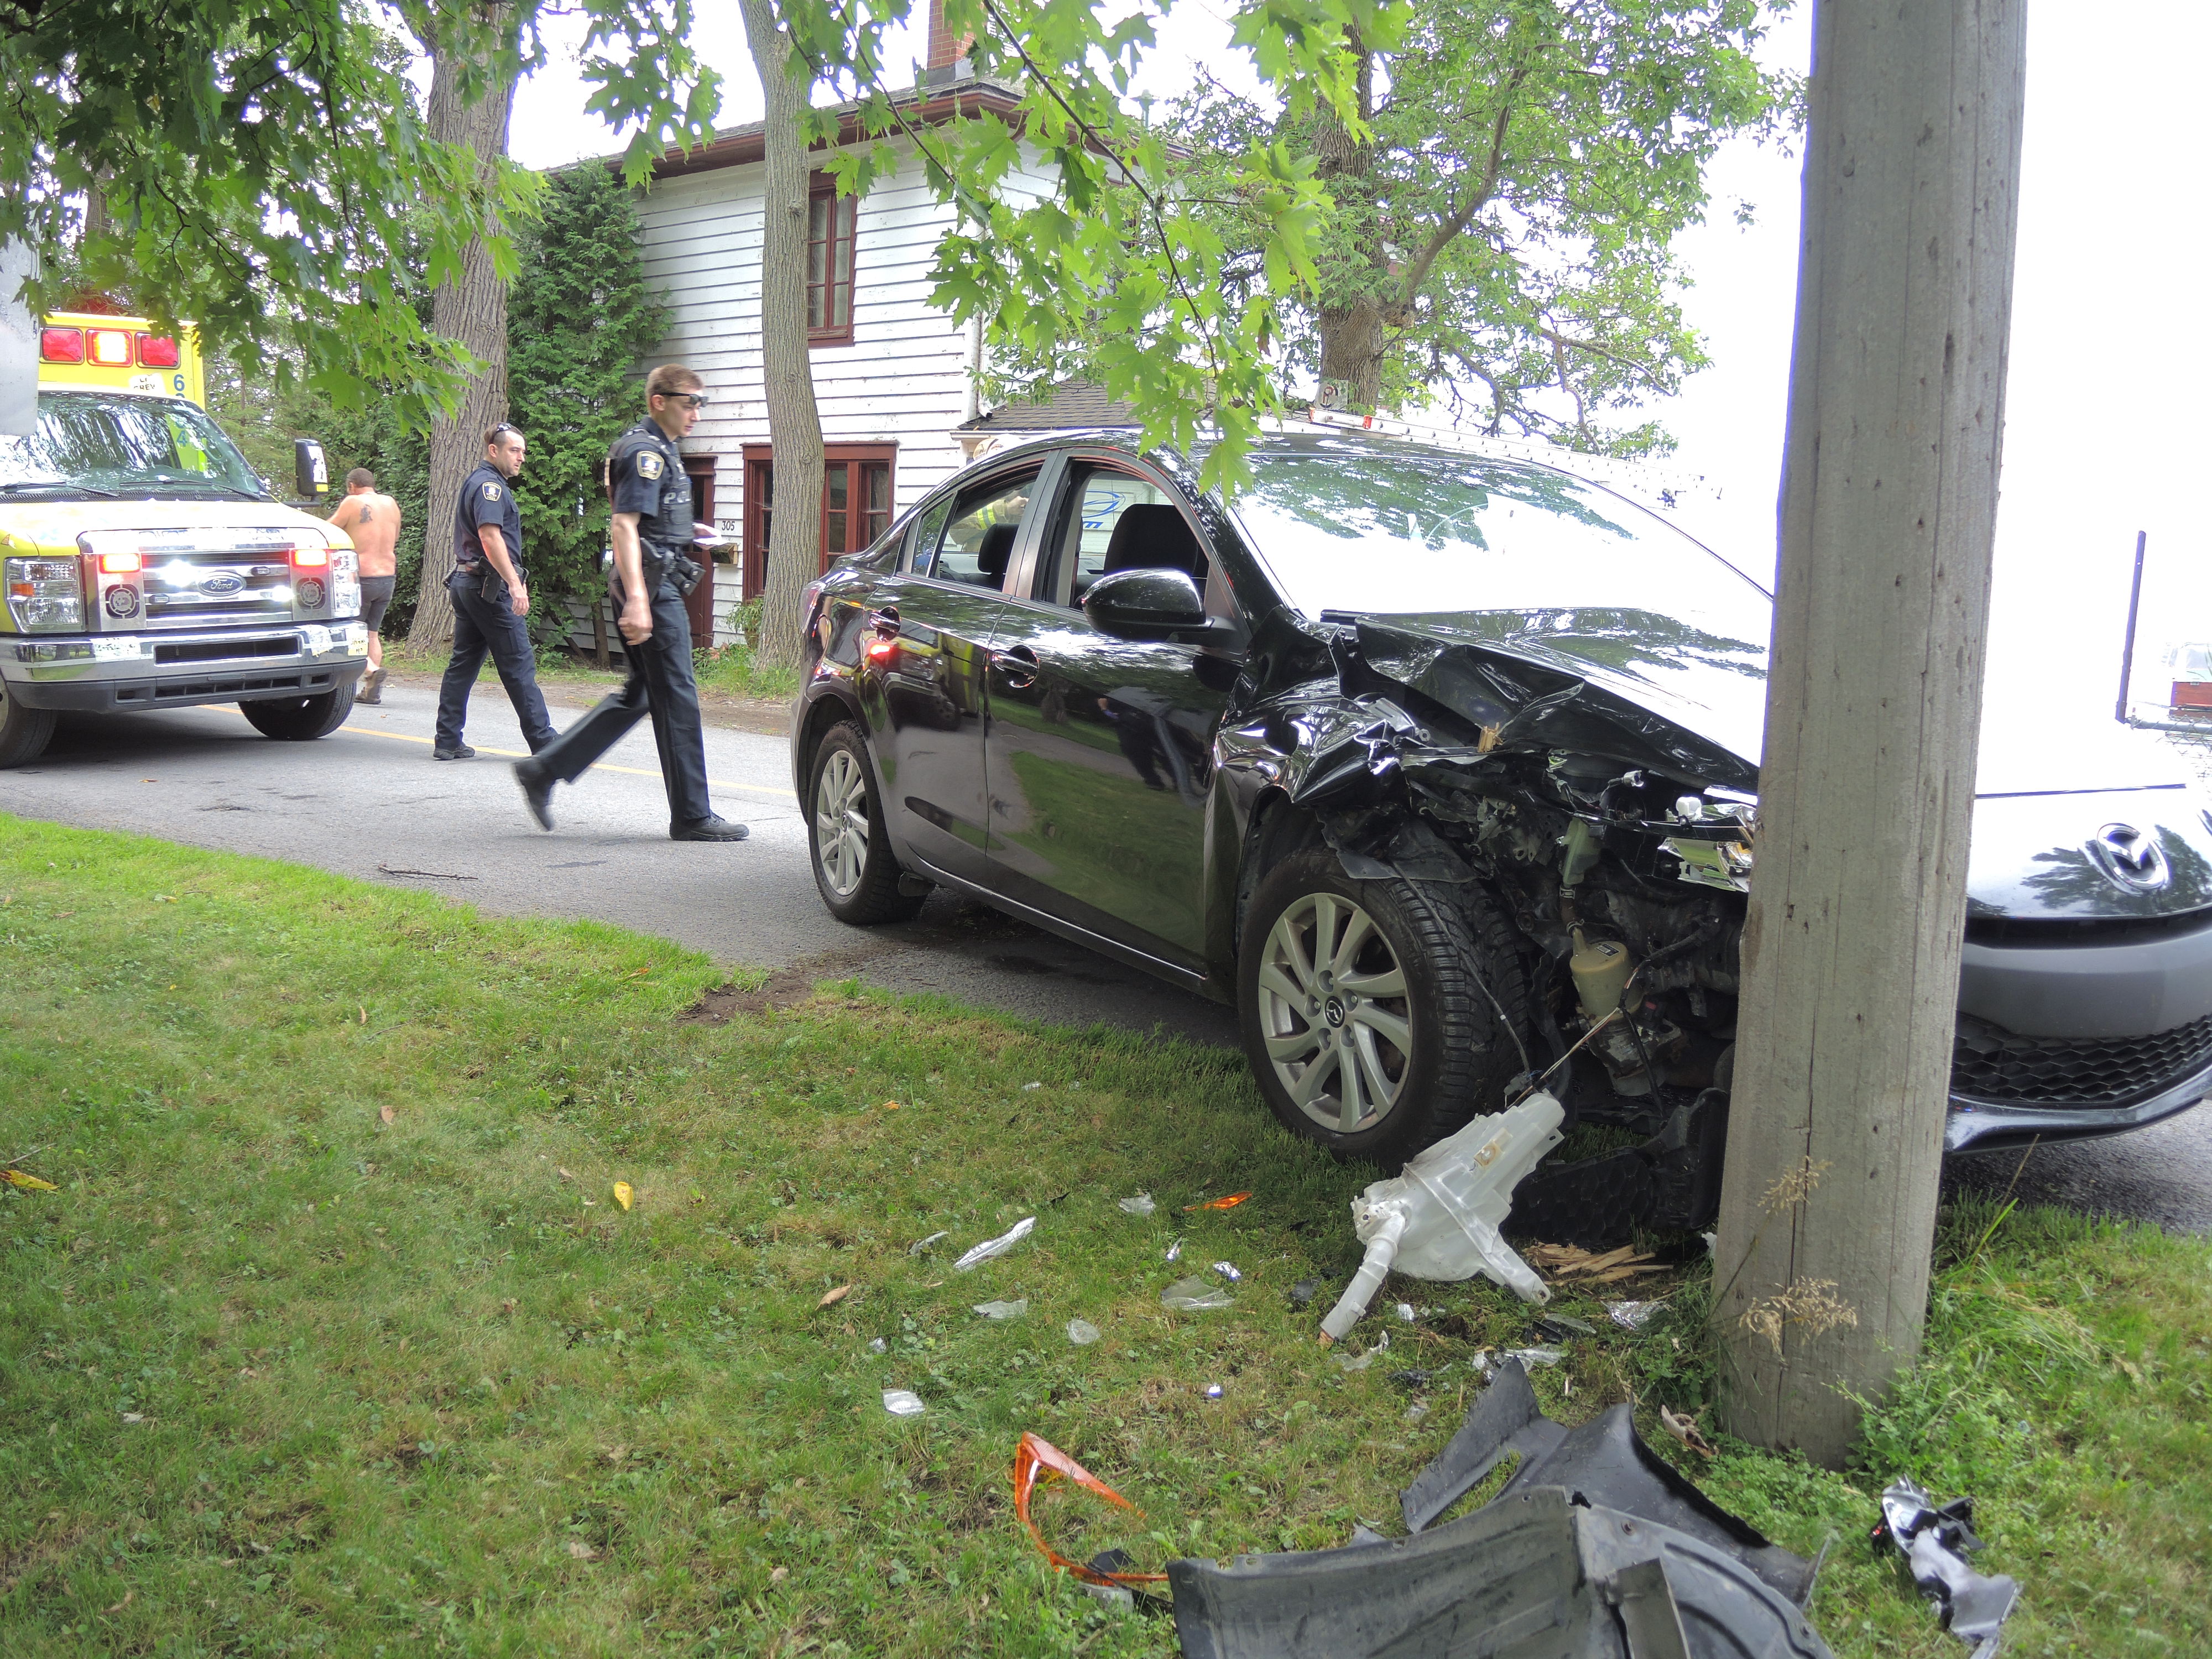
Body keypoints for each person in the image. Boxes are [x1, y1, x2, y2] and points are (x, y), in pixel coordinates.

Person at [513, 366, 747, 841]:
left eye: (701, 403)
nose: (697, 413)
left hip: (653, 581)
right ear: (659, 400)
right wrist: (640, 600)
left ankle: (544, 770)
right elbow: (624, 525)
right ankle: (693, 816)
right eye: (690, 402)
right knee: (678, 697)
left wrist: (690, 533)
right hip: (652, 589)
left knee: (644, 693)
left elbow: (649, 520)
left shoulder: (660, 448)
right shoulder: (645, 452)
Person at [432, 423, 556, 761]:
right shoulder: (490, 486)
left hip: (468, 584)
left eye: (524, 452)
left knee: (464, 663)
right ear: (494, 450)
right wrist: (515, 585)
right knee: (518, 664)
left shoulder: (479, 482)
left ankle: (447, 739)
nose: (521, 458)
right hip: (488, 588)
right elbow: (490, 537)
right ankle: (545, 742)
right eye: (515, 450)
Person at [327, 467, 400, 703]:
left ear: (351, 485)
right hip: (387, 576)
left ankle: (370, 670)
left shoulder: (352, 502)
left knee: (352, 629)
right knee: (372, 633)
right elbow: (395, 536)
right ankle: (371, 691)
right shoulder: (391, 503)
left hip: (361, 578)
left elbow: (326, 532)